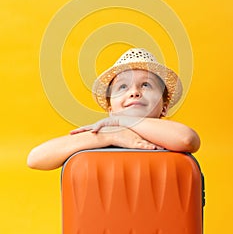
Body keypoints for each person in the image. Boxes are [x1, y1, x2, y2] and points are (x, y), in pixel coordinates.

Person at [27, 48, 200, 170]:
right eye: (123, 87)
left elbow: (187, 139)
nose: (134, 92)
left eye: (146, 85)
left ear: (164, 107)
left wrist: (124, 121)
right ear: (111, 110)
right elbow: (35, 158)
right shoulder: (103, 134)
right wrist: (111, 135)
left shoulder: (168, 135)